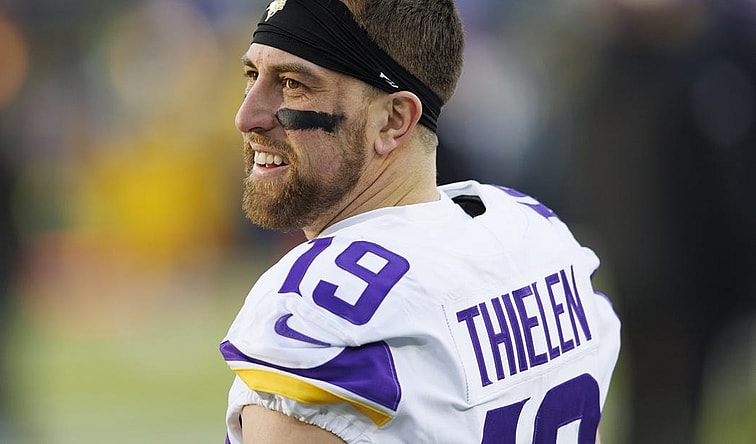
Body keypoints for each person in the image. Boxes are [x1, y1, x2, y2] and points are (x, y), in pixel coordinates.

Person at [218, 0, 621, 442]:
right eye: (252, 76)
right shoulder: (533, 233)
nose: (247, 116)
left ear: (393, 120)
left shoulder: (318, 309)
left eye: (293, 84)